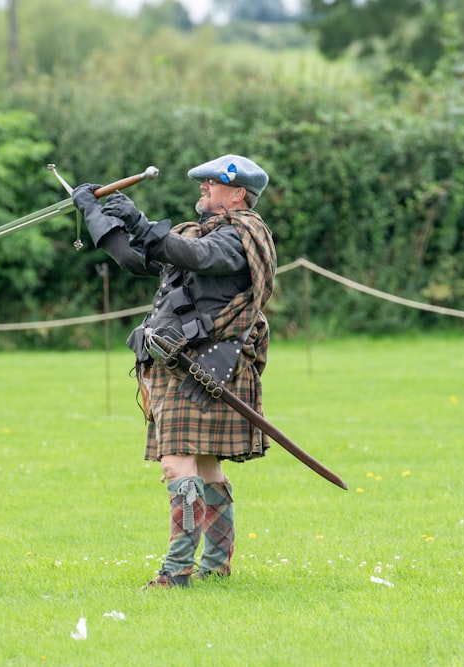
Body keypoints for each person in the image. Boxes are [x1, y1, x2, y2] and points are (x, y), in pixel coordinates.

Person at [71, 154, 276, 588]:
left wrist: (141, 221)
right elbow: (133, 256)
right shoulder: (195, 233)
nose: (202, 188)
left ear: (237, 194)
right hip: (181, 366)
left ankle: (176, 571)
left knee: (176, 466)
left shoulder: (241, 239)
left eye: (211, 184)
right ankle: (216, 564)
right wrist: (92, 211)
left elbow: (195, 255)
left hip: (206, 368)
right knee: (203, 467)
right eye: (201, 183)